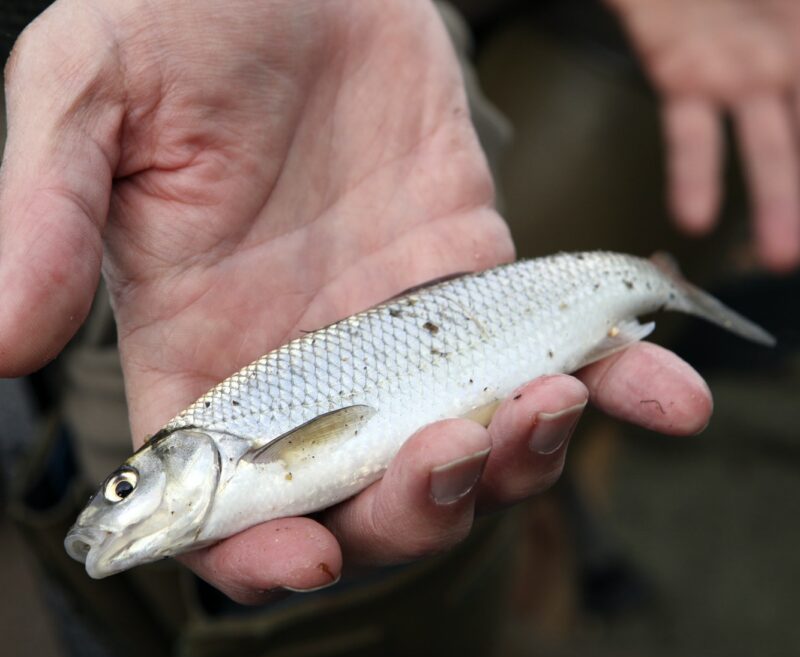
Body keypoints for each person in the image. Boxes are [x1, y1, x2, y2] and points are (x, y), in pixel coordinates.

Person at [0, 0, 725, 605]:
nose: (116, 507)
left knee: (480, 468)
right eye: (121, 492)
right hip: (141, 265)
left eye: (125, 488)